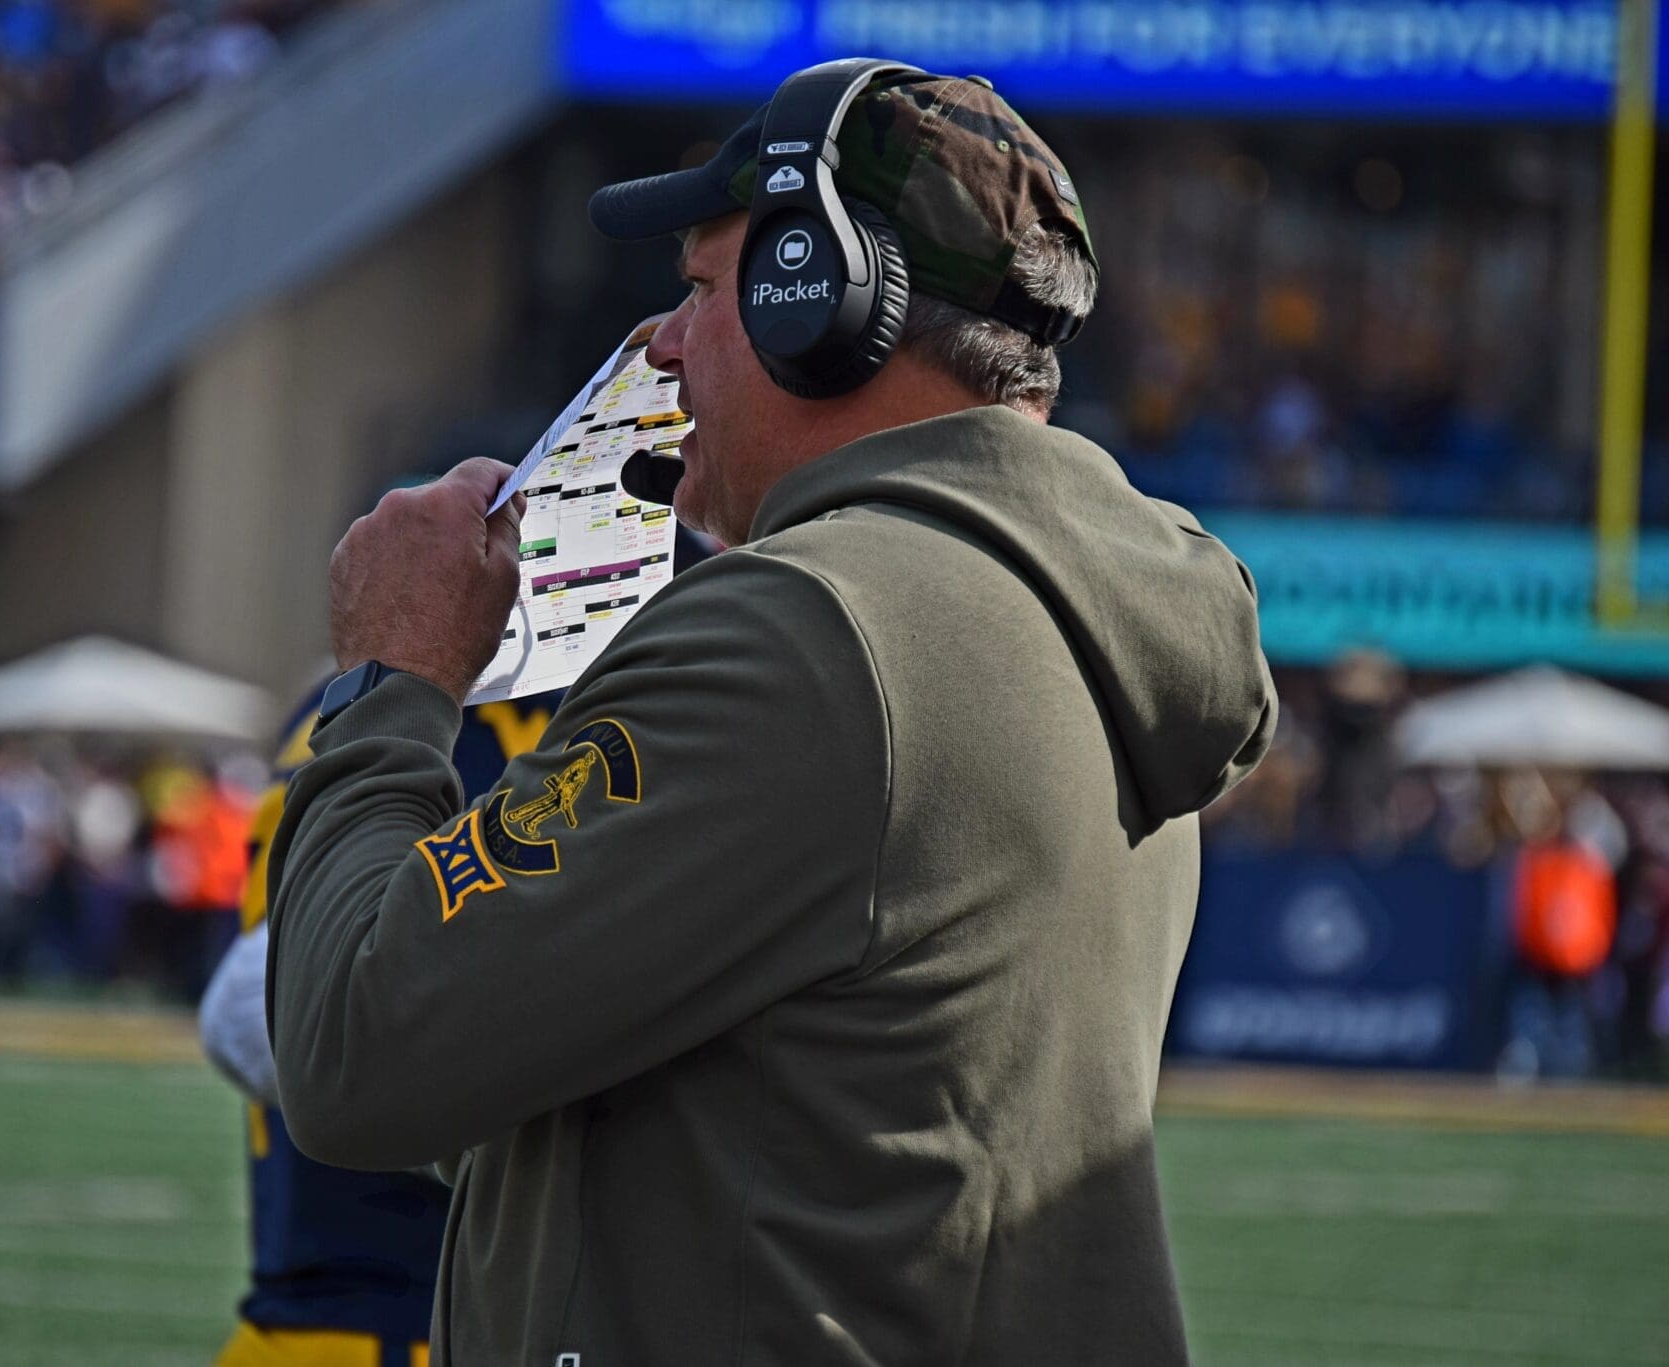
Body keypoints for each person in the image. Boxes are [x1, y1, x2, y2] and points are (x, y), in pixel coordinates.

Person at [263, 60, 1276, 1364]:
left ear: (824, 297)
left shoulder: (801, 633)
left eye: (698, 288)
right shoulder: (1089, 624)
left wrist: (389, 682)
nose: (661, 346)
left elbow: (355, 1051)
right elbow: (761, 1126)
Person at [202, 684, 568, 1366]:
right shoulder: (445, 708)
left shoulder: (361, 695)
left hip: (359, 1309)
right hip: (389, 1318)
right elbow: (253, 1010)